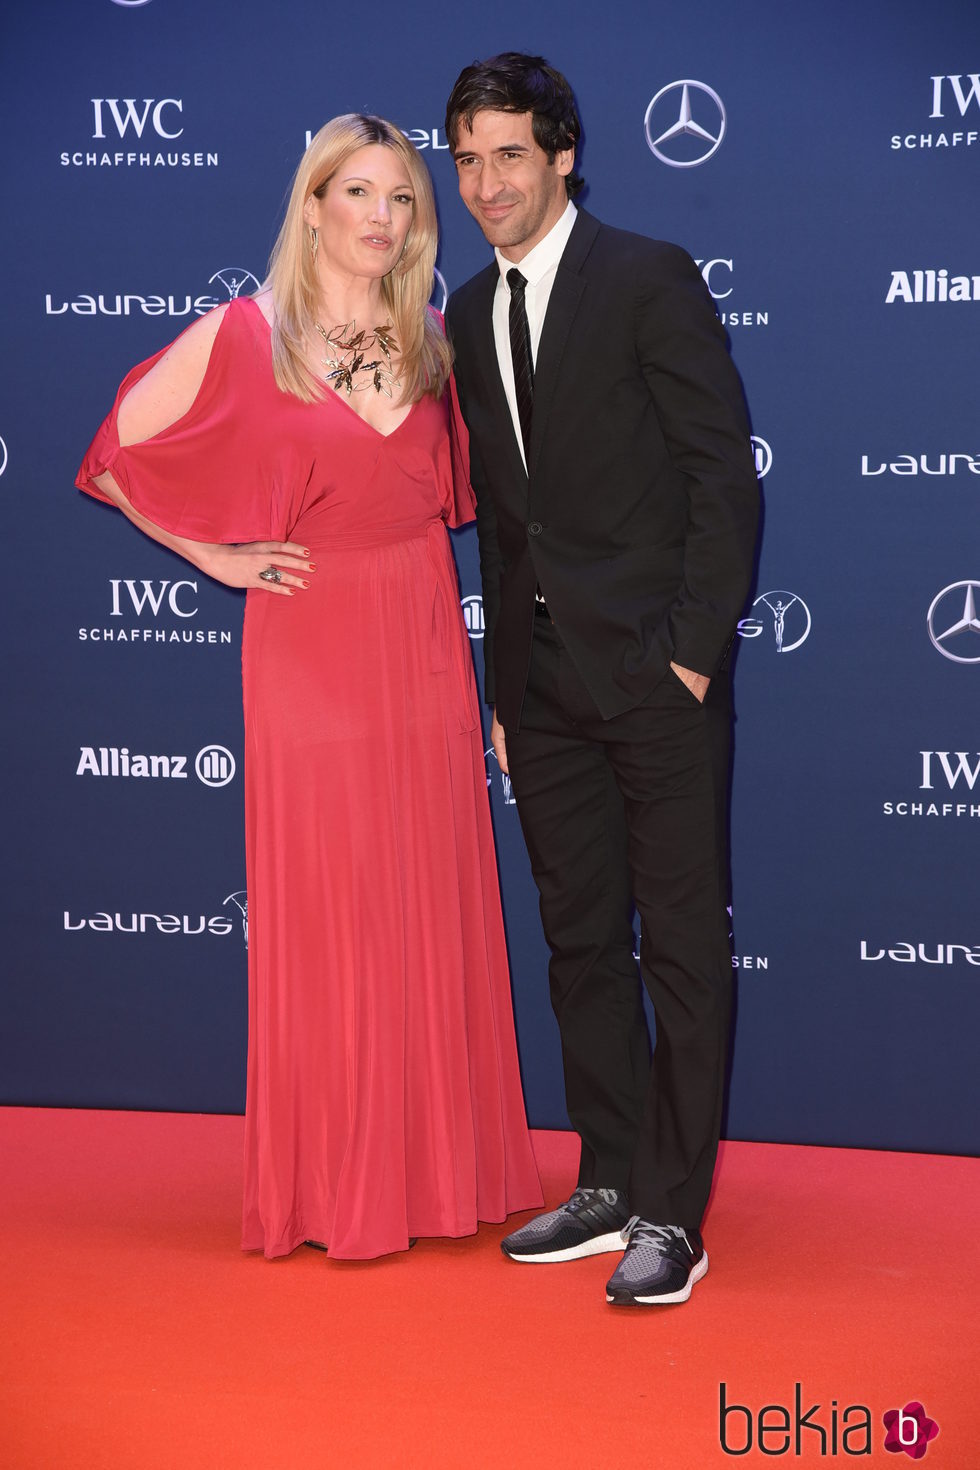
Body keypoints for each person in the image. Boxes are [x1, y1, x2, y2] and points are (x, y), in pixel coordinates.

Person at [76, 113, 542, 1261]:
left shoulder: (441, 339)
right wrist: (211, 553)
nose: (383, 218)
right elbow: (115, 451)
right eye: (359, 193)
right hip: (311, 640)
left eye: (402, 199)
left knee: (426, 898)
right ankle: (336, 1182)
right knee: (334, 908)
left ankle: (441, 1169)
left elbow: (508, 506)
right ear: (312, 205)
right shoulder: (248, 332)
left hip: (424, 633)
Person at [444, 55, 759, 1305]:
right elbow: (511, 522)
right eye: (464, 160)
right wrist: (505, 690)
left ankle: (673, 1216)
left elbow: (719, 479)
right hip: (544, 691)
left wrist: (687, 653)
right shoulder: (467, 310)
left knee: (679, 946)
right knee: (579, 943)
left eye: (508, 155)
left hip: (652, 676)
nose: (484, 184)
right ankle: (611, 1175)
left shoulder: (645, 276)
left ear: (563, 154)